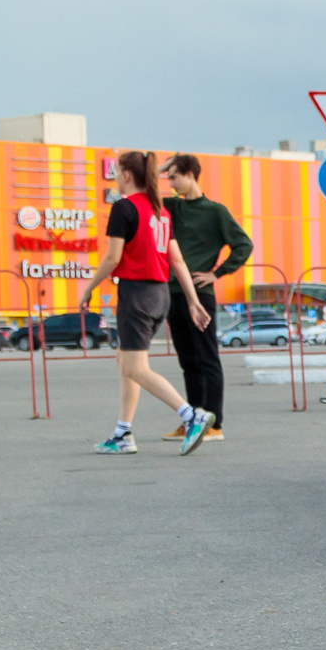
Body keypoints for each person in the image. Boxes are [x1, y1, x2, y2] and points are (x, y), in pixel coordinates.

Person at [78, 150, 216, 455]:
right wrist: (193, 301)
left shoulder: (124, 209)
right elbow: (177, 261)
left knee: (136, 368)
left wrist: (88, 289)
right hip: (160, 296)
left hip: (137, 295)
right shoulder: (160, 212)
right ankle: (122, 433)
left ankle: (191, 415)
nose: (115, 177)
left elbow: (113, 257)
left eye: (117, 172)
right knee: (125, 362)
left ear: (127, 175)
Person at [158, 154, 250, 441]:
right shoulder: (170, 206)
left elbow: (244, 245)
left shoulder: (215, 212)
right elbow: (144, 191)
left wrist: (217, 273)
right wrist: (160, 169)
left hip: (201, 294)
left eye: (174, 177)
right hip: (172, 293)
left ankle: (215, 424)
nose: (170, 184)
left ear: (190, 174)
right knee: (187, 361)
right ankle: (193, 421)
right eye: (168, 178)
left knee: (207, 358)